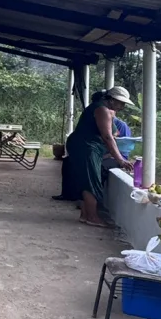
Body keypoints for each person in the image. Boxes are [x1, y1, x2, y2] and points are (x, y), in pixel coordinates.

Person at [58, 86, 133, 226]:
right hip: (87, 147)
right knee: (91, 181)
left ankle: (85, 215)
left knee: (86, 179)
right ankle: (92, 217)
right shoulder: (102, 110)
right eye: (121, 103)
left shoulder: (102, 109)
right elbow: (107, 137)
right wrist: (120, 160)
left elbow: (110, 133)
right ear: (111, 100)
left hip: (84, 146)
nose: (122, 106)